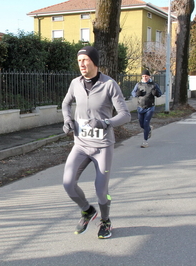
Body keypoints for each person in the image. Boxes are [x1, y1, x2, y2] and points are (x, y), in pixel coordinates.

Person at [62, 46, 131, 239]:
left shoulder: (109, 84)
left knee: (101, 192)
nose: (82, 64)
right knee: (68, 183)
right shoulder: (75, 83)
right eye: (79, 61)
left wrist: (105, 122)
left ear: (94, 61)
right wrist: (67, 120)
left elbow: (125, 115)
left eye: (85, 60)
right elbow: (65, 103)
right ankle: (87, 210)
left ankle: (106, 221)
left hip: (102, 147)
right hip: (81, 145)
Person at [131, 69, 162, 148]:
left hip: (150, 107)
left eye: (146, 76)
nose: (145, 78)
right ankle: (149, 129)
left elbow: (159, 94)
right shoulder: (138, 84)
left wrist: (156, 93)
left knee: (146, 123)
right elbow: (133, 93)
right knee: (142, 124)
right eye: (143, 76)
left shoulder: (154, 85)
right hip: (140, 107)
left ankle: (145, 142)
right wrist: (137, 94)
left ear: (149, 76)